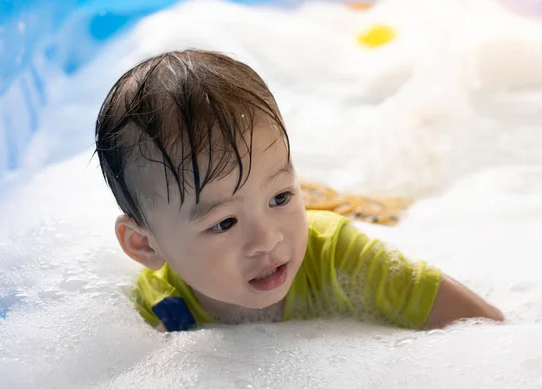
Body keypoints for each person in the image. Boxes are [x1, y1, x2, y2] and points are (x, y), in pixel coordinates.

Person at [94, 50, 504, 332]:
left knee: (387, 208)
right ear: (145, 246)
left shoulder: (340, 259)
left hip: (350, 216)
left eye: (281, 198)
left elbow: (483, 329)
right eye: (224, 224)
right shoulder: (163, 308)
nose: (268, 240)